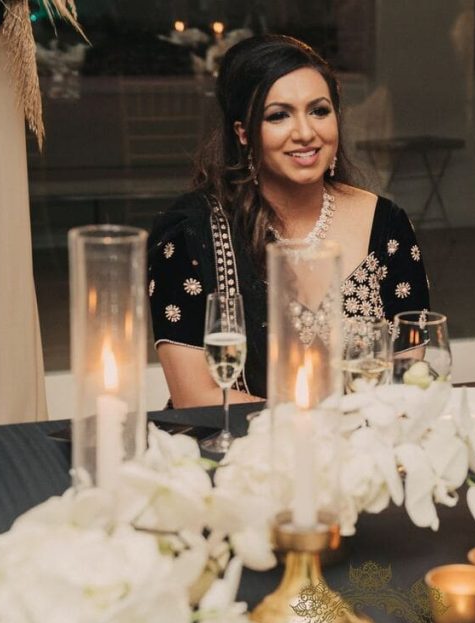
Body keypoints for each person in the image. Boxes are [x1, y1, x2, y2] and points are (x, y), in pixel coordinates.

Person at [148, 35, 429, 407]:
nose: (305, 133)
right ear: (243, 132)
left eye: (319, 110)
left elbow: (409, 375)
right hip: (237, 451)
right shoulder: (192, 235)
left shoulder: (387, 224)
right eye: (278, 115)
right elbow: (196, 397)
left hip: (362, 449)